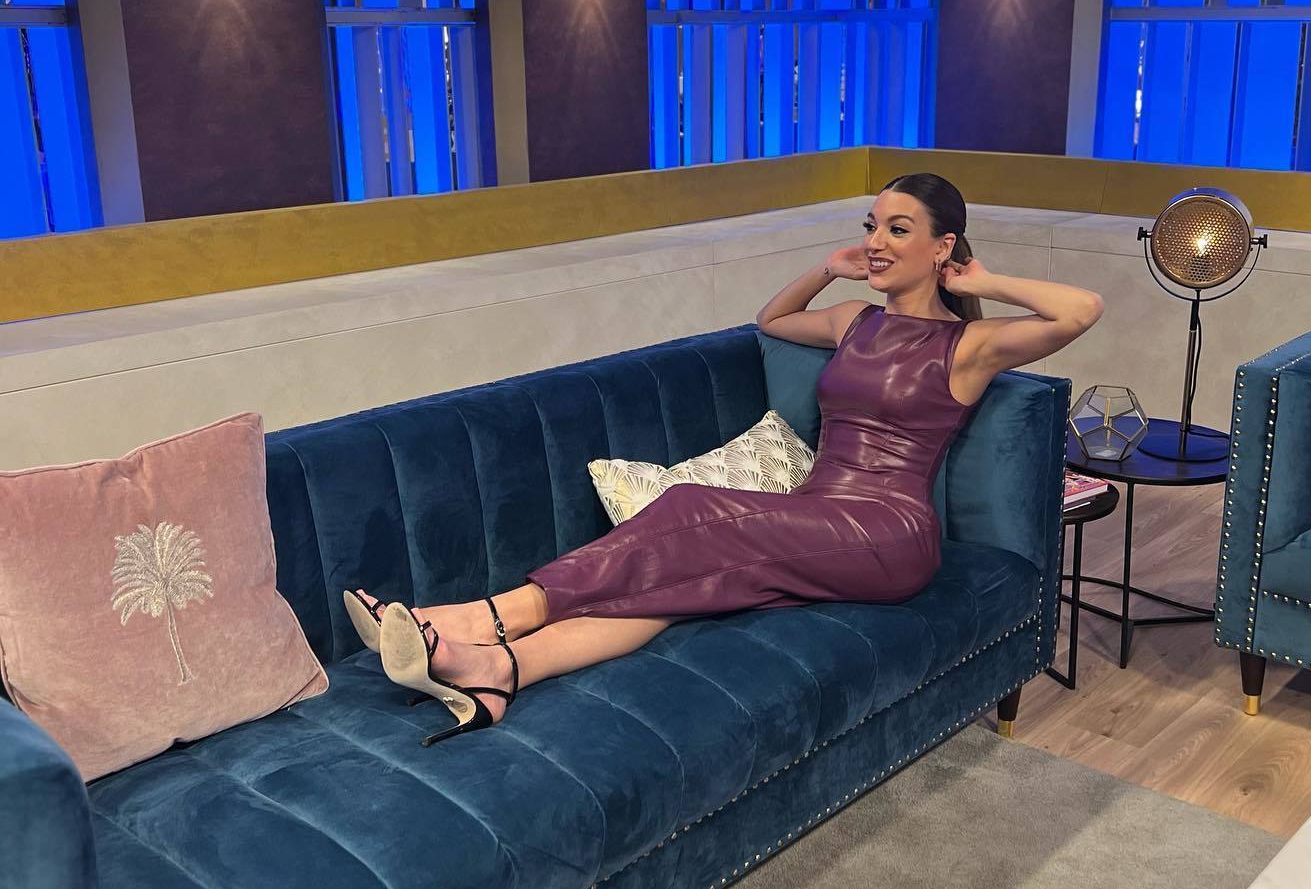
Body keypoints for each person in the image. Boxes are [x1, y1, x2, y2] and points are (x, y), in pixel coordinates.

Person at [343, 173, 1103, 742]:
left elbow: (1081, 310)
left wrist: (981, 280)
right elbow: (772, 320)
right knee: (674, 583)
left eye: (898, 230)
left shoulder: (969, 345)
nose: (876, 241)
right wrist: (830, 268)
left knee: (687, 507)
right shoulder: (853, 322)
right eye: (871, 225)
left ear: (942, 247)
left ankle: (481, 618)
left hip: (889, 533)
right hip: (817, 516)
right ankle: (500, 674)